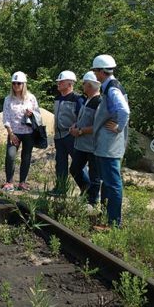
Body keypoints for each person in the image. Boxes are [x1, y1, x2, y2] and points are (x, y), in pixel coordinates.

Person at [91, 54, 130, 227]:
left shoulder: (112, 89)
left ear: (101, 71)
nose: (94, 75)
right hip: (106, 144)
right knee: (108, 182)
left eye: (95, 71)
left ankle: (114, 222)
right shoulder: (110, 87)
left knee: (113, 183)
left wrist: (118, 127)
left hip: (110, 144)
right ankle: (108, 219)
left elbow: (124, 111)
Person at [2, 71, 40, 192]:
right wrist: (11, 134)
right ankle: (9, 182)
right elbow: (6, 117)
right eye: (14, 83)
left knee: (26, 157)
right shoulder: (8, 99)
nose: (16, 86)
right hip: (14, 133)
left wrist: (32, 113)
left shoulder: (31, 98)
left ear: (24, 84)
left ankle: (22, 182)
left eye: (19, 83)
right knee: (10, 155)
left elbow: (38, 114)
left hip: (28, 133)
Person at [51, 70, 88, 196]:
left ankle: (87, 189)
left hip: (72, 136)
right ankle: (60, 189)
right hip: (59, 136)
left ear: (70, 83)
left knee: (78, 164)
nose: (58, 83)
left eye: (61, 81)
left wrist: (77, 128)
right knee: (60, 164)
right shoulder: (57, 98)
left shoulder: (78, 99)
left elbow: (83, 117)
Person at [70, 71, 102, 206]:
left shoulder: (99, 102)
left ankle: (92, 201)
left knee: (95, 175)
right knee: (74, 169)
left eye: (84, 84)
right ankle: (86, 189)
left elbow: (98, 126)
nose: (82, 86)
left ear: (89, 85)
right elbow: (82, 118)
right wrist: (75, 126)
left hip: (93, 146)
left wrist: (81, 131)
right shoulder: (88, 100)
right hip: (81, 144)